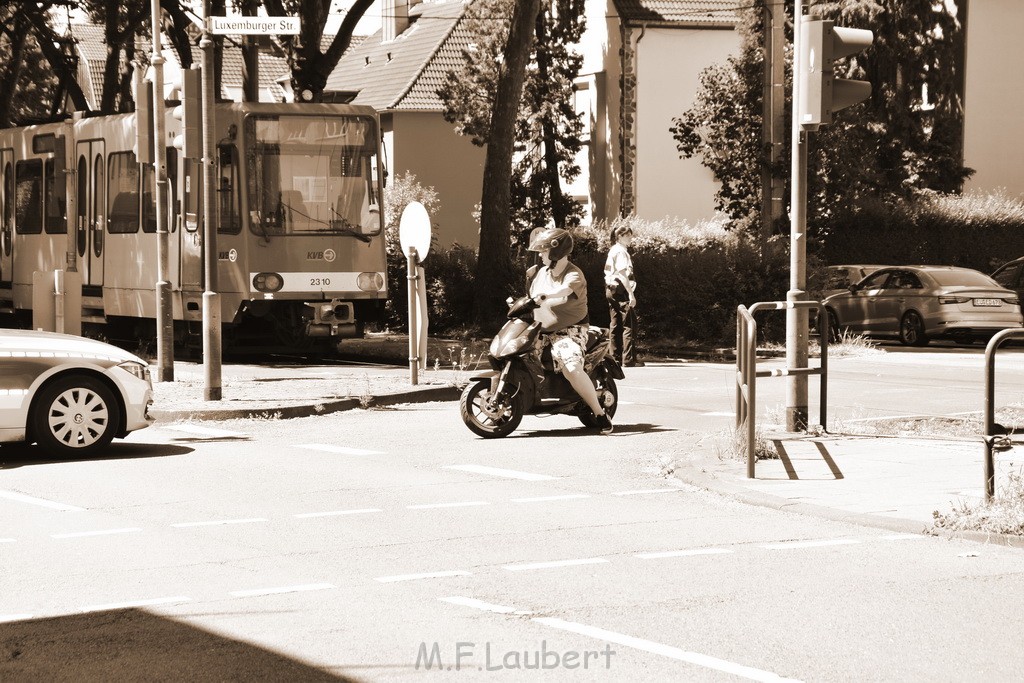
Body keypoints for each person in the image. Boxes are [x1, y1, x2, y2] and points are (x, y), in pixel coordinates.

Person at [526, 227, 613, 434]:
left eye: (544, 250)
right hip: (540, 329)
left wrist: (546, 296)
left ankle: (600, 414)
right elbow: (531, 297)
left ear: (556, 252)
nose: (540, 254)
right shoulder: (541, 273)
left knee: (571, 366)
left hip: (569, 331)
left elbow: (564, 291)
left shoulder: (574, 273)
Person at [604, 225, 642, 367]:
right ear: (619, 236)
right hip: (621, 290)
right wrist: (631, 294)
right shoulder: (621, 252)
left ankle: (615, 358)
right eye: (628, 235)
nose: (631, 238)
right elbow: (622, 273)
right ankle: (628, 359)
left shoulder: (613, 250)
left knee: (615, 324)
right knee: (629, 324)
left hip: (611, 289)